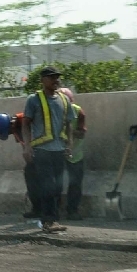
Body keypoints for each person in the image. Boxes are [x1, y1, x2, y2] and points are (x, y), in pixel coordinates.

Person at [22, 66, 76, 233]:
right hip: (42, 151)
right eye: (51, 77)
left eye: (57, 77)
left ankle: (53, 219)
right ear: (43, 80)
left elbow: (69, 125)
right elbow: (25, 124)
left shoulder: (64, 99)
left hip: (59, 150)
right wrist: (27, 146)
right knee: (47, 186)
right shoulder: (34, 100)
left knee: (58, 187)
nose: (56, 80)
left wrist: (69, 144)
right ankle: (47, 221)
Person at [0, 112, 41, 218]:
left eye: (8, 132)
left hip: (42, 152)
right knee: (29, 175)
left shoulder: (22, 120)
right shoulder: (14, 128)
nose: (10, 133)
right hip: (33, 156)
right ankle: (37, 209)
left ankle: (48, 211)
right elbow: (23, 143)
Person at [59, 87, 87, 220]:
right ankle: (53, 211)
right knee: (54, 183)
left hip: (75, 153)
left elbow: (82, 134)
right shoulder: (53, 111)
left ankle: (72, 210)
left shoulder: (78, 111)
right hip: (57, 152)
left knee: (75, 183)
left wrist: (68, 133)